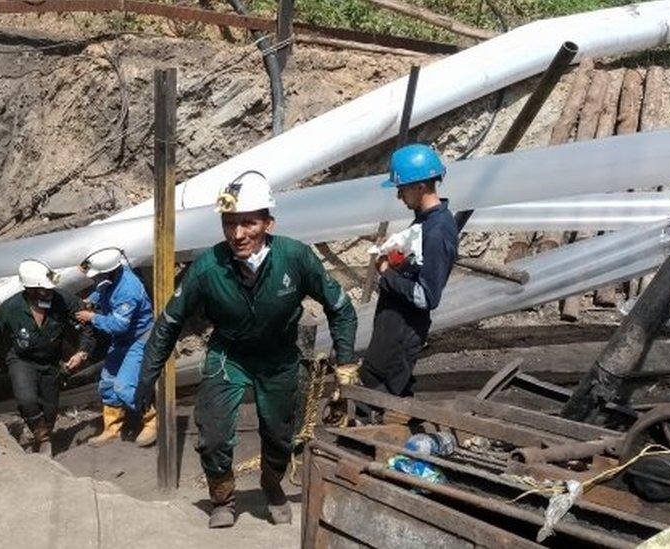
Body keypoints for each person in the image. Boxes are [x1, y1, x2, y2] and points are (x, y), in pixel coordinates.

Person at [134, 171, 359, 529]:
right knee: (213, 434)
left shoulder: (296, 258)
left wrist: (345, 363)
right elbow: (169, 323)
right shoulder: (208, 268)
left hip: (279, 358)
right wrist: (147, 374)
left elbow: (341, 308)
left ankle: (272, 485)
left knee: (280, 434)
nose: (238, 234)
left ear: (268, 222)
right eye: (229, 223)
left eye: (249, 223)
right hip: (230, 356)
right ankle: (222, 498)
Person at [361, 143, 458, 398]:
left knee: (377, 390)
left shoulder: (438, 232)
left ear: (420, 186)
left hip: (404, 330)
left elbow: (426, 297)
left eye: (401, 188)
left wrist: (385, 272)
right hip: (394, 325)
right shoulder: (425, 222)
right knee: (381, 384)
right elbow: (416, 267)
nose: (399, 195)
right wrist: (396, 256)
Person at [0, 259, 94, 456]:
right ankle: (42, 436)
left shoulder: (63, 300)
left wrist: (82, 352)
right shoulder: (12, 306)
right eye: (44, 289)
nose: (49, 292)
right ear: (30, 289)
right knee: (26, 400)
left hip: (50, 361)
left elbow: (88, 324)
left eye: (50, 288)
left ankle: (44, 434)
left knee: (50, 410)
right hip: (21, 359)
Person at [75, 247, 156, 447]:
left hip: (139, 339)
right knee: (108, 384)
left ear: (109, 271)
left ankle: (152, 420)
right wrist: (91, 301)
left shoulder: (129, 288)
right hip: (122, 340)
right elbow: (101, 289)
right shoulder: (112, 276)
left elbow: (119, 325)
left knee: (124, 387)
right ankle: (112, 428)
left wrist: (93, 317)